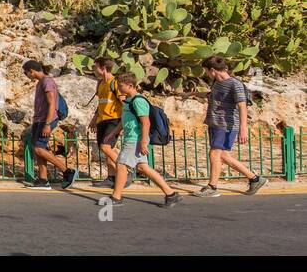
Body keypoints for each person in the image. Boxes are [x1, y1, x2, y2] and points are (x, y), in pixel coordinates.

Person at [195, 55, 269, 197]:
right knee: (224, 156)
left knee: (215, 153)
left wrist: (243, 129)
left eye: (206, 71)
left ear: (212, 70)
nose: (207, 75)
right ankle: (255, 179)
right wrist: (191, 93)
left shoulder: (235, 84)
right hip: (215, 123)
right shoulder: (217, 83)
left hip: (226, 124)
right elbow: (213, 95)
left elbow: (242, 106)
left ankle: (213, 187)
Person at [108, 74, 182, 207]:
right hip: (133, 138)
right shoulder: (129, 100)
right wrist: (114, 132)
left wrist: (143, 141)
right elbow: (125, 120)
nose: (118, 88)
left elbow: (146, 122)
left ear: (130, 86)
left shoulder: (138, 101)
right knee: (143, 167)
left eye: (121, 85)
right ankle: (171, 194)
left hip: (135, 139)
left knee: (121, 165)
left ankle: (116, 197)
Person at [22, 60, 77, 189]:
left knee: (39, 148)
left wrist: (47, 123)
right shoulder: (40, 83)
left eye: (26, 73)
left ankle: (67, 171)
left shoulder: (47, 82)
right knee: (39, 150)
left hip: (47, 120)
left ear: (32, 71)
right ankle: (43, 179)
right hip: (39, 120)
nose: (26, 76)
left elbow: (52, 103)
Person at [87, 57, 126, 188]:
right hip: (102, 119)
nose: (93, 69)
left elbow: (123, 101)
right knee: (108, 149)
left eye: (95, 66)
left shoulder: (115, 83)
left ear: (103, 68)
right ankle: (111, 177)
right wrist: (94, 119)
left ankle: (125, 169)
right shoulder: (101, 83)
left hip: (114, 119)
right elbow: (101, 102)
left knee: (106, 147)